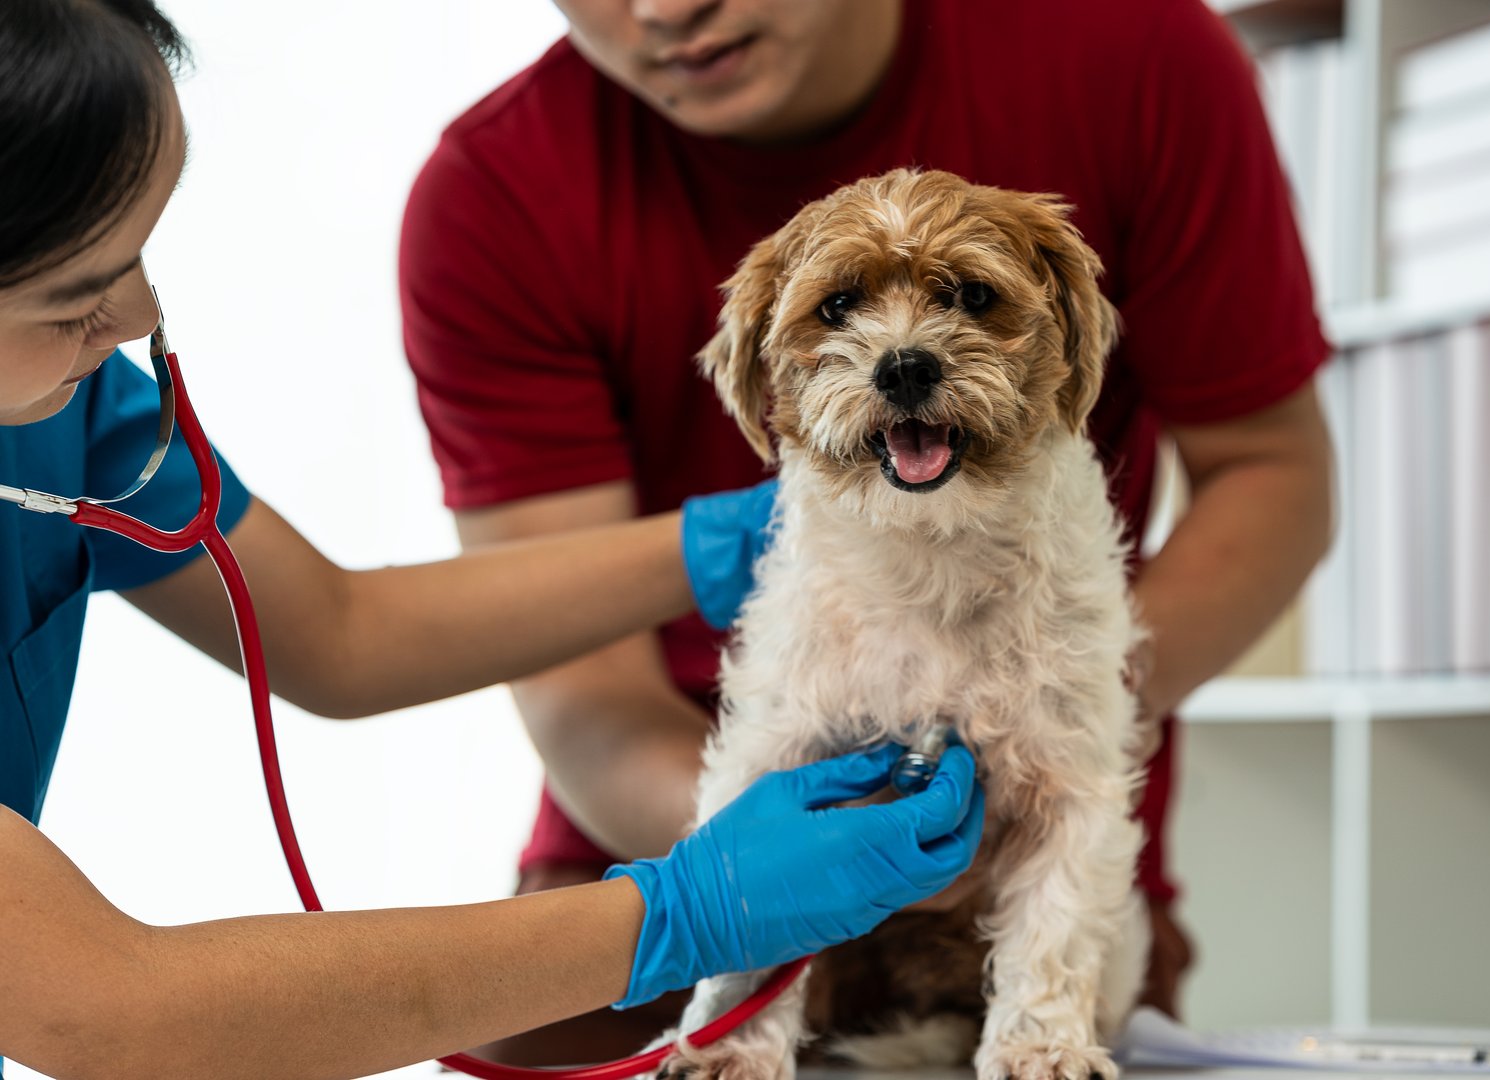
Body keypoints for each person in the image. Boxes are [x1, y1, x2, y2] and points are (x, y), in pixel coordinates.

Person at [0, 2, 986, 1076]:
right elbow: (95, 1003)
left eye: (141, 256)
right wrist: (685, 912)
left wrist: (724, 542)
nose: (138, 314)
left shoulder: (65, 408)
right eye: (75, 297)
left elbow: (339, 634)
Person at [400, 0, 1337, 1051]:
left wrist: (1077, 714)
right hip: (646, 866)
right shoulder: (493, 192)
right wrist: (743, 879)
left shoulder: (1140, 53)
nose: (665, 7)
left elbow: (1274, 473)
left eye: (968, 300)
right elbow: (573, 682)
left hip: (1034, 896)